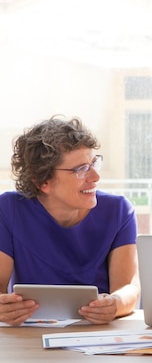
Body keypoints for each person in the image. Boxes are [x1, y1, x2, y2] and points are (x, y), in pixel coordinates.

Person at [0, 116, 140, 326]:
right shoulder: (9, 209)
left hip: (98, 335)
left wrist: (115, 304)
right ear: (43, 181)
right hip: (29, 334)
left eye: (94, 163)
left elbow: (129, 288)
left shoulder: (119, 211)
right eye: (81, 169)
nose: (95, 176)